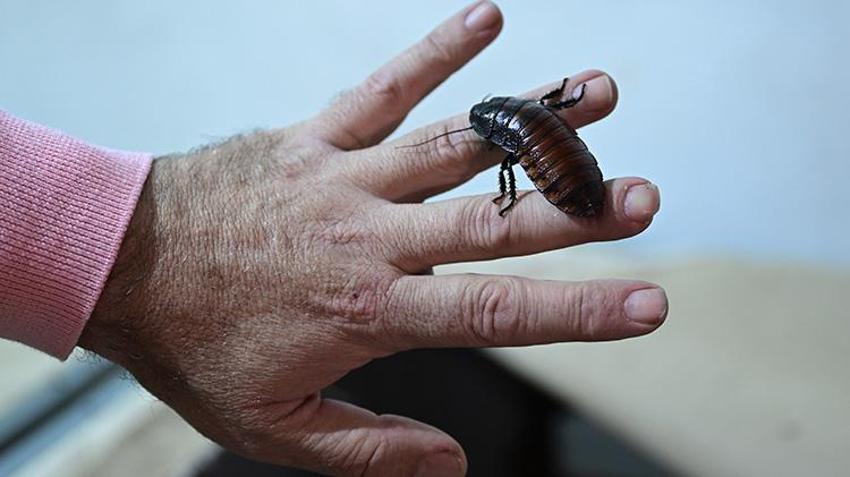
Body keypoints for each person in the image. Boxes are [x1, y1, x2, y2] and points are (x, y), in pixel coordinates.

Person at [0, 1, 666, 476]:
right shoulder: (526, 132)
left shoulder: (518, 139)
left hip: (559, 169)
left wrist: (112, 238)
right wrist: (126, 247)